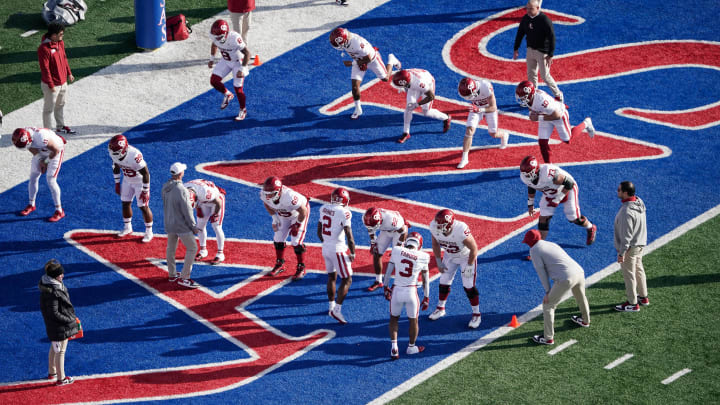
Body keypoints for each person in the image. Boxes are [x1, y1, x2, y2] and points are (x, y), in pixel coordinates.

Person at [522, 230, 591, 345]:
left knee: (548, 305)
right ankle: (585, 320)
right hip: (579, 271)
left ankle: (548, 337)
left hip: (565, 278)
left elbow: (541, 272)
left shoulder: (534, 250)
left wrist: (548, 291)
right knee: (580, 296)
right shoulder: (550, 244)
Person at [520, 155, 597, 251]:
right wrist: (530, 204)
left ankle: (591, 227)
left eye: (528, 174)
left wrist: (557, 199)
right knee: (543, 219)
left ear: (535, 171)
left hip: (567, 189)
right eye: (524, 174)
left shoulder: (548, 173)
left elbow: (569, 183)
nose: (525, 176)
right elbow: (531, 186)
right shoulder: (526, 177)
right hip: (550, 191)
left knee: (573, 218)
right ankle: (538, 248)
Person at [329, 27, 401, 120]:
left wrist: (352, 63)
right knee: (355, 86)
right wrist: (358, 62)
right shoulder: (347, 39)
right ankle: (358, 109)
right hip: (359, 60)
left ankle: (391, 60)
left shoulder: (357, 42)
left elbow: (369, 58)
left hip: (372, 59)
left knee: (385, 78)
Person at [515, 80, 594, 163]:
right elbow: (531, 106)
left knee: (567, 139)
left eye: (523, 97)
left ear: (530, 94)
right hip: (545, 115)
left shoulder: (541, 100)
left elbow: (557, 115)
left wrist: (538, 117)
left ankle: (586, 123)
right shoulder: (531, 98)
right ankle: (549, 165)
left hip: (559, 115)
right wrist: (532, 114)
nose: (521, 99)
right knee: (542, 142)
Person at [428, 209, 482, 329]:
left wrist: (469, 266)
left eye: (441, 225)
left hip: (466, 256)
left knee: (468, 285)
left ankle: (477, 314)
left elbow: (474, 248)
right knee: (443, 282)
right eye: (437, 224)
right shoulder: (434, 226)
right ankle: (440, 308)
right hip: (449, 255)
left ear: (449, 224)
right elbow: (435, 244)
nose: (437, 227)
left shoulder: (460, 229)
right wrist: (438, 261)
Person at [383, 232, 430, 360]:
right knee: (413, 321)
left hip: (397, 291)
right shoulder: (424, 256)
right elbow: (425, 279)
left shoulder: (397, 250)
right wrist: (426, 296)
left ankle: (394, 347)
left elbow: (388, 270)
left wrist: (385, 286)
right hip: (411, 292)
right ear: (419, 245)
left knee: (393, 319)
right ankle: (411, 347)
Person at [317, 187, 356, 324]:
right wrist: (352, 252)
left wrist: (327, 242)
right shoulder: (344, 212)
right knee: (347, 279)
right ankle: (337, 310)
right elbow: (349, 236)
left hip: (326, 248)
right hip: (338, 249)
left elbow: (319, 232)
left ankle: (331, 306)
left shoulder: (323, 208)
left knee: (331, 277)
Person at [261, 176, 310, 281]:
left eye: (271, 194)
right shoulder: (264, 194)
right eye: (267, 194)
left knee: (296, 241)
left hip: (298, 214)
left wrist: (297, 224)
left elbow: (303, 211)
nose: (268, 196)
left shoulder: (289, 196)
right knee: (278, 239)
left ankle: (301, 267)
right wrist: (274, 218)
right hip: (284, 215)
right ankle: (280, 264)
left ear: (279, 191)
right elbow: (266, 203)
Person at [12, 127, 66, 222]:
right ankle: (31, 204)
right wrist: (41, 160)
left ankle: (59, 211)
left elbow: (55, 150)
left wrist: (46, 162)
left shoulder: (41, 137)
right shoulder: (27, 135)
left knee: (51, 179)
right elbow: (30, 147)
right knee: (33, 175)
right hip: (41, 150)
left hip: (55, 150)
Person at [39, 259, 79, 386]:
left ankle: (52, 372)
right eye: (60, 274)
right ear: (54, 276)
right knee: (60, 351)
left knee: (54, 348)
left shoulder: (49, 285)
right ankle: (61, 379)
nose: (63, 275)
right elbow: (54, 313)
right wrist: (70, 320)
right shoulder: (54, 291)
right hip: (59, 325)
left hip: (53, 325)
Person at [513, 0, 562, 102]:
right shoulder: (525, 18)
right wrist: (516, 48)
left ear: (538, 8)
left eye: (531, 9)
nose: (528, 11)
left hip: (542, 52)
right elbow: (520, 33)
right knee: (531, 74)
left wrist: (550, 54)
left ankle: (558, 96)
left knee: (545, 76)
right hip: (530, 50)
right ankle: (533, 96)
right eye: (527, 8)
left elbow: (552, 37)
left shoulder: (544, 20)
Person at [108, 135, 153, 243]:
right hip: (127, 180)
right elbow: (116, 166)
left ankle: (149, 232)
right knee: (125, 203)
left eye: (117, 152)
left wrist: (145, 190)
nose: (115, 155)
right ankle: (128, 227)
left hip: (139, 181)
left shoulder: (134, 154)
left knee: (143, 206)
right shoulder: (113, 151)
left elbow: (146, 173)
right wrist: (117, 183)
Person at [456, 77, 509, 169]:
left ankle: (504, 134)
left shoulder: (485, 86)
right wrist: (477, 109)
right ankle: (465, 158)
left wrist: (480, 109)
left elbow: (493, 107)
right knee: (469, 130)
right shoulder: (465, 89)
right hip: (476, 108)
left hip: (488, 109)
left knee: (493, 133)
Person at [162, 162, 201, 288]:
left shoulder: (165, 186)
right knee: (192, 248)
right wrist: (193, 226)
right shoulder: (182, 189)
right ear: (180, 174)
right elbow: (187, 210)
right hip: (181, 225)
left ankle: (172, 274)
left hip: (169, 222)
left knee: (171, 248)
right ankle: (185, 278)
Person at [390, 69, 452, 144]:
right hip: (413, 84)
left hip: (428, 84)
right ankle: (406, 133)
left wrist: (417, 104)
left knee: (426, 112)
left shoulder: (420, 82)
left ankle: (446, 117)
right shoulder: (405, 74)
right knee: (408, 108)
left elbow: (431, 96)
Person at [613, 181, 648, 312]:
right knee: (639, 269)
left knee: (629, 275)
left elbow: (626, 236)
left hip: (630, 247)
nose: (617, 191)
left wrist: (621, 253)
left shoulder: (626, 212)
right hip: (640, 243)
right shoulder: (639, 201)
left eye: (619, 190)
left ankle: (633, 303)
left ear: (626, 193)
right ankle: (643, 297)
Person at [208, 19, 252, 121]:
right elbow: (214, 44)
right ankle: (228, 94)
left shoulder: (234, 38)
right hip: (226, 60)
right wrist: (212, 59)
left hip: (238, 62)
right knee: (214, 80)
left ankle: (243, 109)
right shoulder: (216, 36)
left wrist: (242, 68)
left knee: (238, 88)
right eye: (215, 36)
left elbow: (247, 53)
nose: (216, 39)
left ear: (225, 34)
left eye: (219, 37)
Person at [38, 22, 76, 135]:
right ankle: (48, 132)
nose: (62, 36)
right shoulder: (44, 48)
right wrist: (51, 84)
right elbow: (45, 69)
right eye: (60, 34)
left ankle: (60, 126)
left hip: (63, 81)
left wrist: (69, 73)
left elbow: (64, 59)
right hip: (52, 85)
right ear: (53, 35)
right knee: (48, 109)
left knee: (60, 105)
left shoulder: (60, 43)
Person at [362, 207, 408, 292]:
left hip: (398, 232)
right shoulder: (369, 218)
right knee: (376, 252)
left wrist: (398, 247)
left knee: (398, 258)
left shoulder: (390, 220)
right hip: (386, 231)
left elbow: (404, 231)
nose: (372, 227)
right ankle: (378, 281)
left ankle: (401, 284)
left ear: (380, 220)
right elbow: (370, 229)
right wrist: (373, 243)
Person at [185, 179, 227, 265]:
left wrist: (215, 213)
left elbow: (218, 202)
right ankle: (203, 250)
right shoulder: (183, 190)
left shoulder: (204, 192)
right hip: (202, 201)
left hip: (216, 201)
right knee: (200, 226)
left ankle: (220, 253)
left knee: (216, 226)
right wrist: (197, 208)